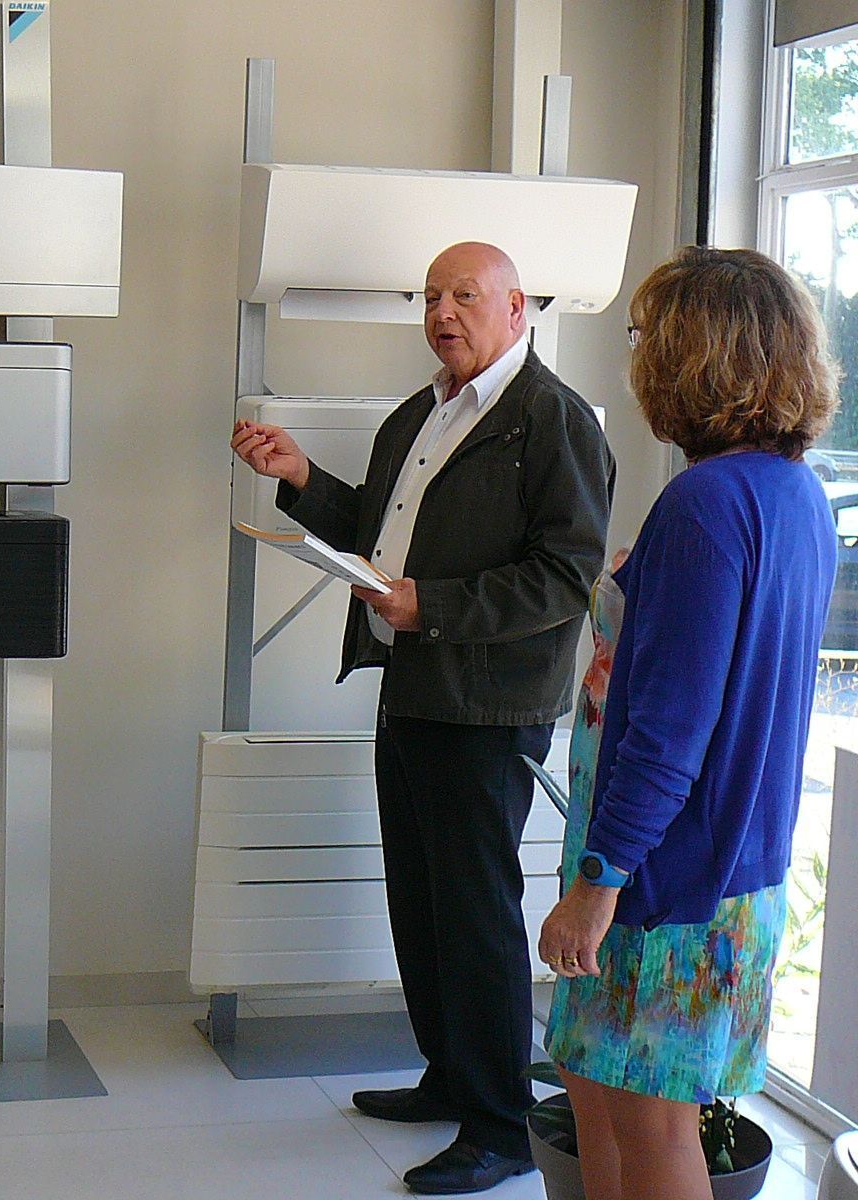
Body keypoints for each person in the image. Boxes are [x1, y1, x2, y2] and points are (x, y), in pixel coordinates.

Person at [232, 241, 615, 1194]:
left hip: (488, 706)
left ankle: (497, 1124)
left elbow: (566, 576)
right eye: (433, 296)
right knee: (420, 896)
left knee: (476, 912)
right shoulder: (423, 410)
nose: (444, 312)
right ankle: (450, 1077)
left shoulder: (552, 421)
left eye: (466, 296)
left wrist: (431, 606)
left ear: (517, 307)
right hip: (413, 686)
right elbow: (381, 527)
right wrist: (302, 475)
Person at [537, 246, 838, 1200]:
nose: (635, 356)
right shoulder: (794, 495)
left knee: (653, 1126)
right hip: (714, 864)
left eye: (642, 335)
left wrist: (598, 882)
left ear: (691, 351)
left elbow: (672, 730)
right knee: (600, 1097)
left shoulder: (706, 503)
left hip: (667, 876)